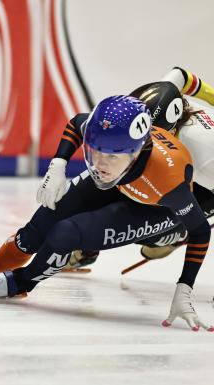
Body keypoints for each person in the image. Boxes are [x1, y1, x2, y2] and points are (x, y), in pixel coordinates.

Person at [0, 95, 212, 330]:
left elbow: (200, 230)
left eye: (111, 156)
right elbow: (76, 122)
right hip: (122, 183)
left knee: (66, 233)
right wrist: (58, 166)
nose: (100, 163)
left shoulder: (168, 180)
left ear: (137, 151)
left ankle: (22, 283)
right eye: (95, 152)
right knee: (38, 227)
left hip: (156, 209)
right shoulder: (108, 133)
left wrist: (184, 288)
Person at [61, 67, 214, 268]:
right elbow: (181, 75)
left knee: (149, 225)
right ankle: (88, 249)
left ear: (173, 129)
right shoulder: (163, 94)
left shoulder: (207, 160)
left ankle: (172, 237)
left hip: (205, 181)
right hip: (186, 160)